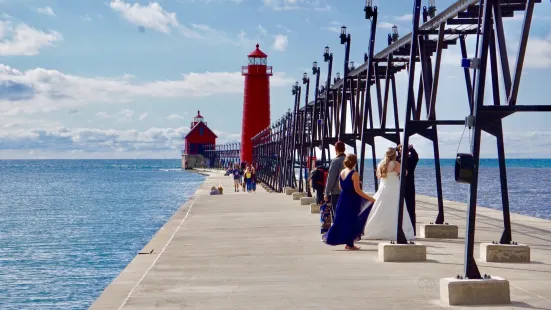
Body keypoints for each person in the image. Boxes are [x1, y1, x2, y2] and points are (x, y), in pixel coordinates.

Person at [322, 154, 376, 250]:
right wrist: (370, 198)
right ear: (355, 162)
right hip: (352, 200)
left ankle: (344, 242)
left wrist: (351, 185)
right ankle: (350, 244)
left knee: (342, 220)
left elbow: (341, 187)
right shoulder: (354, 173)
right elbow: (357, 190)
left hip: (343, 198)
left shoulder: (342, 172)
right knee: (352, 220)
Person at [363, 147, 415, 240]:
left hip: (383, 188)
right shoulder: (395, 164)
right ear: (394, 155)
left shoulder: (381, 164)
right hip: (394, 188)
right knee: (396, 208)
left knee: (380, 208)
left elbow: (378, 176)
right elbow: (405, 173)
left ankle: (376, 230)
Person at [397, 144, 419, 235]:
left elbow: (416, 156)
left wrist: (410, 149)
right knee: (401, 208)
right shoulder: (398, 160)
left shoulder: (410, 159)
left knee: (410, 208)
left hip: (409, 186)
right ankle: (403, 228)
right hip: (400, 185)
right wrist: (410, 148)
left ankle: (412, 229)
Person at [324, 141, 346, 222]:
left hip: (336, 192)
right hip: (348, 192)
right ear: (345, 149)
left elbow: (331, 179)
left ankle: (337, 233)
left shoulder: (335, 161)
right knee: (345, 214)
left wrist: (326, 193)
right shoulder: (349, 160)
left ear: (335, 149)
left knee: (337, 215)